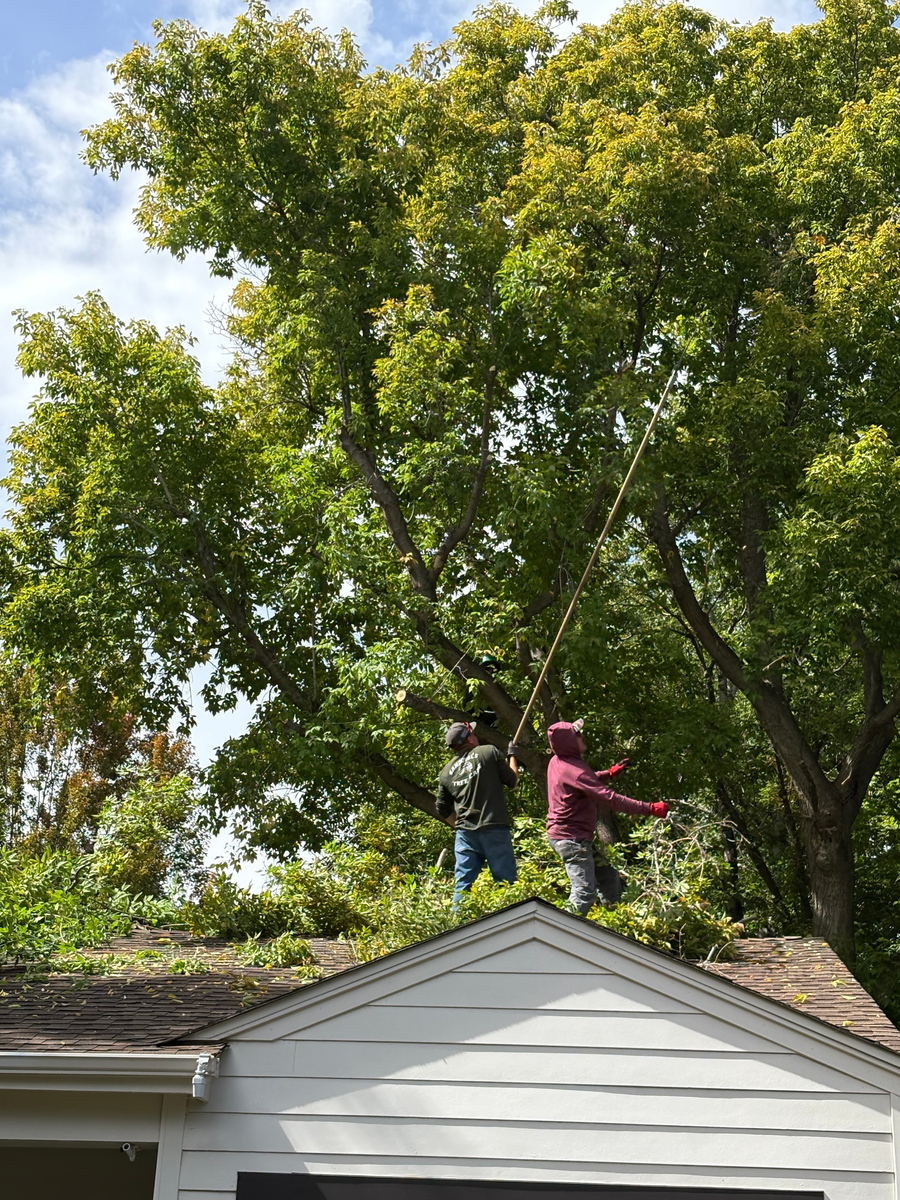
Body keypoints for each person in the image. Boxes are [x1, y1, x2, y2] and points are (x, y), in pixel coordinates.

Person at [546, 719, 669, 915]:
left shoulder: (558, 761)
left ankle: (613, 925)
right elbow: (610, 799)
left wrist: (609, 773)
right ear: (569, 742)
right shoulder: (574, 769)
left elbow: (583, 780)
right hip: (571, 840)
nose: (582, 736)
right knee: (584, 893)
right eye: (577, 734)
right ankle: (557, 936)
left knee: (609, 879)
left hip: (571, 837)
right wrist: (650, 808)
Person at [436, 721, 519, 900]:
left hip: (465, 834)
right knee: (506, 883)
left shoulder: (446, 772)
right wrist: (512, 755)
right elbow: (512, 781)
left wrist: (458, 826)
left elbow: (442, 808)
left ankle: (457, 924)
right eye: (472, 733)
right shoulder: (488, 751)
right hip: (494, 828)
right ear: (470, 739)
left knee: (462, 885)